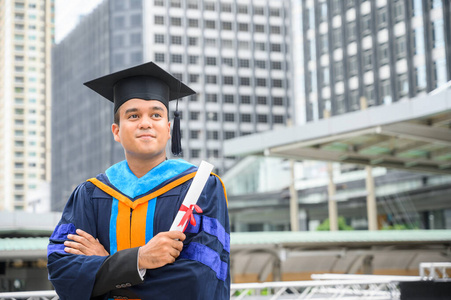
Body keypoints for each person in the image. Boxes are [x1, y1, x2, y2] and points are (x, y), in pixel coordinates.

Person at [47, 62, 230, 299]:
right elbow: (63, 273)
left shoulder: (201, 187)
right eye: (133, 115)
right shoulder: (90, 194)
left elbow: (197, 279)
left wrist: (108, 266)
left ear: (168, 128)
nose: (145, 122)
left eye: (155, 114)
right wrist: (140, 259)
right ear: (116, 131)